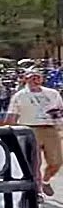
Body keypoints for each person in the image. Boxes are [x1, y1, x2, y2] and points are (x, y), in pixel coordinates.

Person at [7, 68, 63, 196]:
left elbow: (60, 111)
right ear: (26, 79)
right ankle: (36, 192)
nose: (35, 79)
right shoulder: (20, 96)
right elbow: (12, 116)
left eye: (38, 77)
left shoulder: (52, 93)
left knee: (56, 162)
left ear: (42, 79)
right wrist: (11, 133)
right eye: (32, 77)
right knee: (34, 161)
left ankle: (45, 181)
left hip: (50, 128)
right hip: (29, 129)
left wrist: (57, 117)